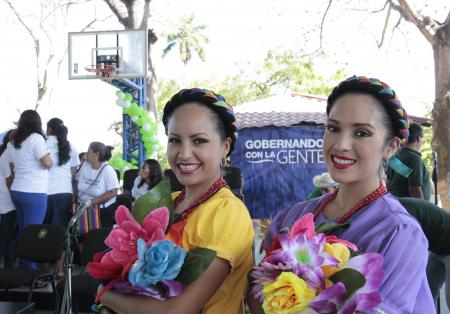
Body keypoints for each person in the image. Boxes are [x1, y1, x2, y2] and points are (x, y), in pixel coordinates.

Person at [251, 76, 434, 313]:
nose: (341, 144)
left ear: (391, 147)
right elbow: (256, 293)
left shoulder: (399, 233)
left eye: (362, 133)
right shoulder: (292, 217)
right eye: (333, 128)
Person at [99, 88, 254, 314]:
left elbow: (178, 310)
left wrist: (105, 295)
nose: (184, 154)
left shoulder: (227, 211)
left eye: (199, 141)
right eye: (175, 141)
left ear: (225, 147)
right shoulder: (165, 202)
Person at [6, 110, 53, 269]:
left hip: (17, 190)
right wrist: (50, 161)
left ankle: (21, 265)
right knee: (33, 232)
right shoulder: (36, 138)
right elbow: (47, 162)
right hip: (34, 191)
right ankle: (29, 271)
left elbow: (12, 165)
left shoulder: (13, 141)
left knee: (23, 230)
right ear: (37, 123)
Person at [396, 197, 450, 311]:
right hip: (438, 248)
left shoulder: (399, 215)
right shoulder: (396, 206)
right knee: (428, 291)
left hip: (446, 245)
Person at [44, 118, 80, 228]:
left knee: (42, 229)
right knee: (59, 230)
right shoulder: (71, 147)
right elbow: (73, 171)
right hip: (64, 191)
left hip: (43, 191)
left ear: (49, 129)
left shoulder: (42, 143)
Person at [75, 142, 119, 228]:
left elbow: (113, 192)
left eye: (88, 152)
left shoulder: (108, 171)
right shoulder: (85, 165)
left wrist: (92, 202)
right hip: (82, 208)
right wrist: (74, 201)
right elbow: (77, 182)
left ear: (96, 154)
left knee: (95, 238)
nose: (85, 155)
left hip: (101, 212)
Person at [387, 123, 431, 200]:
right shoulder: (414, 158)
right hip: (412, 209)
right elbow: (415, 190)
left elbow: (388, 186)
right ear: (418, 138)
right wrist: (423, 209)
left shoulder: (394, 157)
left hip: (398, 206)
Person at [0, 130, 17, 267]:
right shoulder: (9, 154)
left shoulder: (5, 153)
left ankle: (8, 269)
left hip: (5, 203)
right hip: (8, 203)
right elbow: (9, 180)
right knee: (6, 238)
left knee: (9, 238)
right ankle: (8, 269)